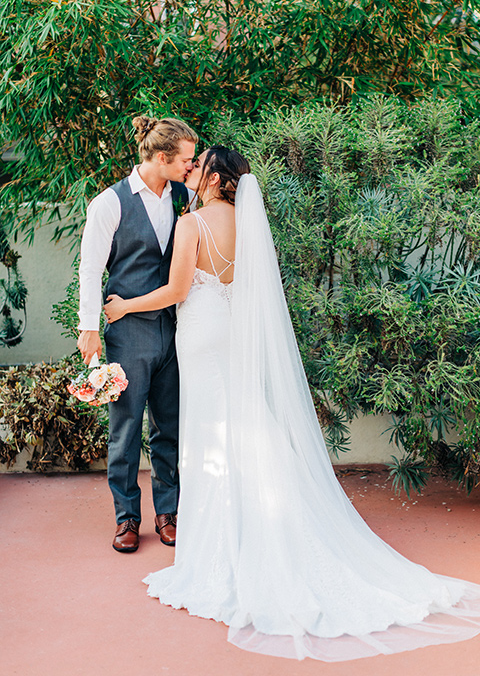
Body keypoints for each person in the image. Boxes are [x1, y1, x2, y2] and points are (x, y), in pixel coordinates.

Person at [103, 146, 480, 661]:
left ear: (214, 177)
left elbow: (176, 290)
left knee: (211, 431)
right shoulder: (246, 224)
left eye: (199, 166)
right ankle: (265, 524)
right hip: (232, 336)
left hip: (201, 338)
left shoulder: (193, 225)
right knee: (244, 423)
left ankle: (222, 552)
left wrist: (124, 304)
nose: (192, 172)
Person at [78, 116, 198, 553]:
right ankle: (127, 519)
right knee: (126, 430)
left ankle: (168, 513)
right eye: (185, 159)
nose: (191, 165)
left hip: (176, 329)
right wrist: (88, 327)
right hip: (128, 331)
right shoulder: (109, 203)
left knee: (169, 426)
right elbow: (90, 269)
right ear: (161, 157)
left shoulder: (184, 195)